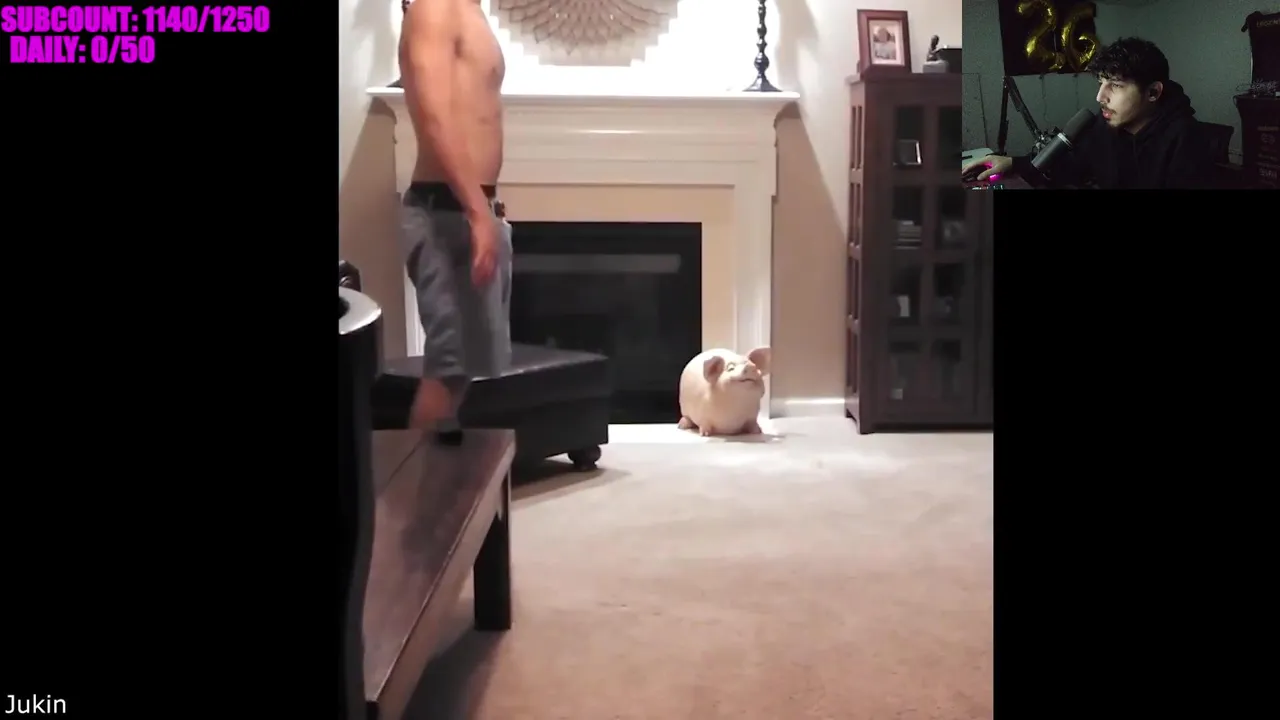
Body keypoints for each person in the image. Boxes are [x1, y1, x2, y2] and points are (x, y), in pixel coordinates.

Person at [398, 0, 513, 442]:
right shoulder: (435, 6)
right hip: (447, 213)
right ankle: (410, 484)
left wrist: (488, 211)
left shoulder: (471, 9)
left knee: (461, 370)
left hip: (470, 209)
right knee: (448, 373)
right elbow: (436, 117)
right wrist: (477, 212)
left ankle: (440, 480)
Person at [962, 37, 1215, 189]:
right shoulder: (1104, 127)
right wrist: (1014, 163)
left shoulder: (1187, 139)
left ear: (1153, 92)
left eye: (1115, 85)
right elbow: (1070, 167)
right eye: (1101, 83)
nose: (1100, 97)